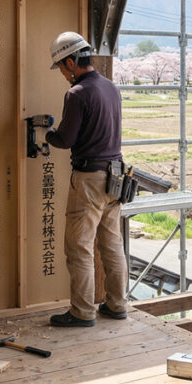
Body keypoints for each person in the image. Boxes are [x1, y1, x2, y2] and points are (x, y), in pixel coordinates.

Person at [44, 31, 129, 327]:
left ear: (70, 61)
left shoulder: (77, 93)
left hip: (89, 179)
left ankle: (82, 312)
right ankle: (116, 305)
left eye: (62, 68)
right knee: (112, 244)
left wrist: (47, 134)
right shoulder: (110, 88)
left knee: (79, 246)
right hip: (115, 178)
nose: (63, 75)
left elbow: (66, 140)